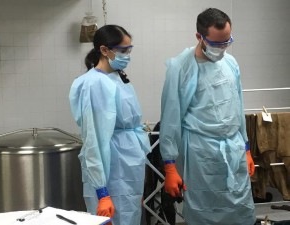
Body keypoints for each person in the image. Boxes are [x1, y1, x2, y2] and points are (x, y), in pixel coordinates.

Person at [159, 8, 256, 225]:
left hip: (234, 150)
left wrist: (246, 147)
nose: (222, 49)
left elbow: (237, 107)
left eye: (227, 42)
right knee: (205, 212)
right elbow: (170, 119)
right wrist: (170, 167)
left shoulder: (230, 63)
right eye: (216, 44)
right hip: (200, 154)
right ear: (199, 37)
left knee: (240, 208)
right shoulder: (181, 68)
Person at [69, 24, 151, 225]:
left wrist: (135, 187)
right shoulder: (95, 83)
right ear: (104, 50)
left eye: (129, 49)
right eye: (123, 50)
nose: (128, 55)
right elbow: (94, 140)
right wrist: (102, 192)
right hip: (112, 171)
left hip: (128, 167)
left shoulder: (117, 78)